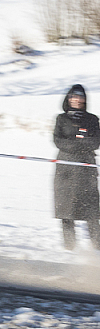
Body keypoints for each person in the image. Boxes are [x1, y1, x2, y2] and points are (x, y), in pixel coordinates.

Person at [52, 84, 100, 250]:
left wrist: (76, 143)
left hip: (86, 172)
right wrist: (80, 144)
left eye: (80, 97)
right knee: (66, 210)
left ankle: (97, 247)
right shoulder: (61, 119)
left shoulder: (92, 119)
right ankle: (70, 248)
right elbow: (58, 141)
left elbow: (95, 142)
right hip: (65, 171)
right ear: (68, 98)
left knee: (92, 212)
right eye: (74, 97)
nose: (77, 100)